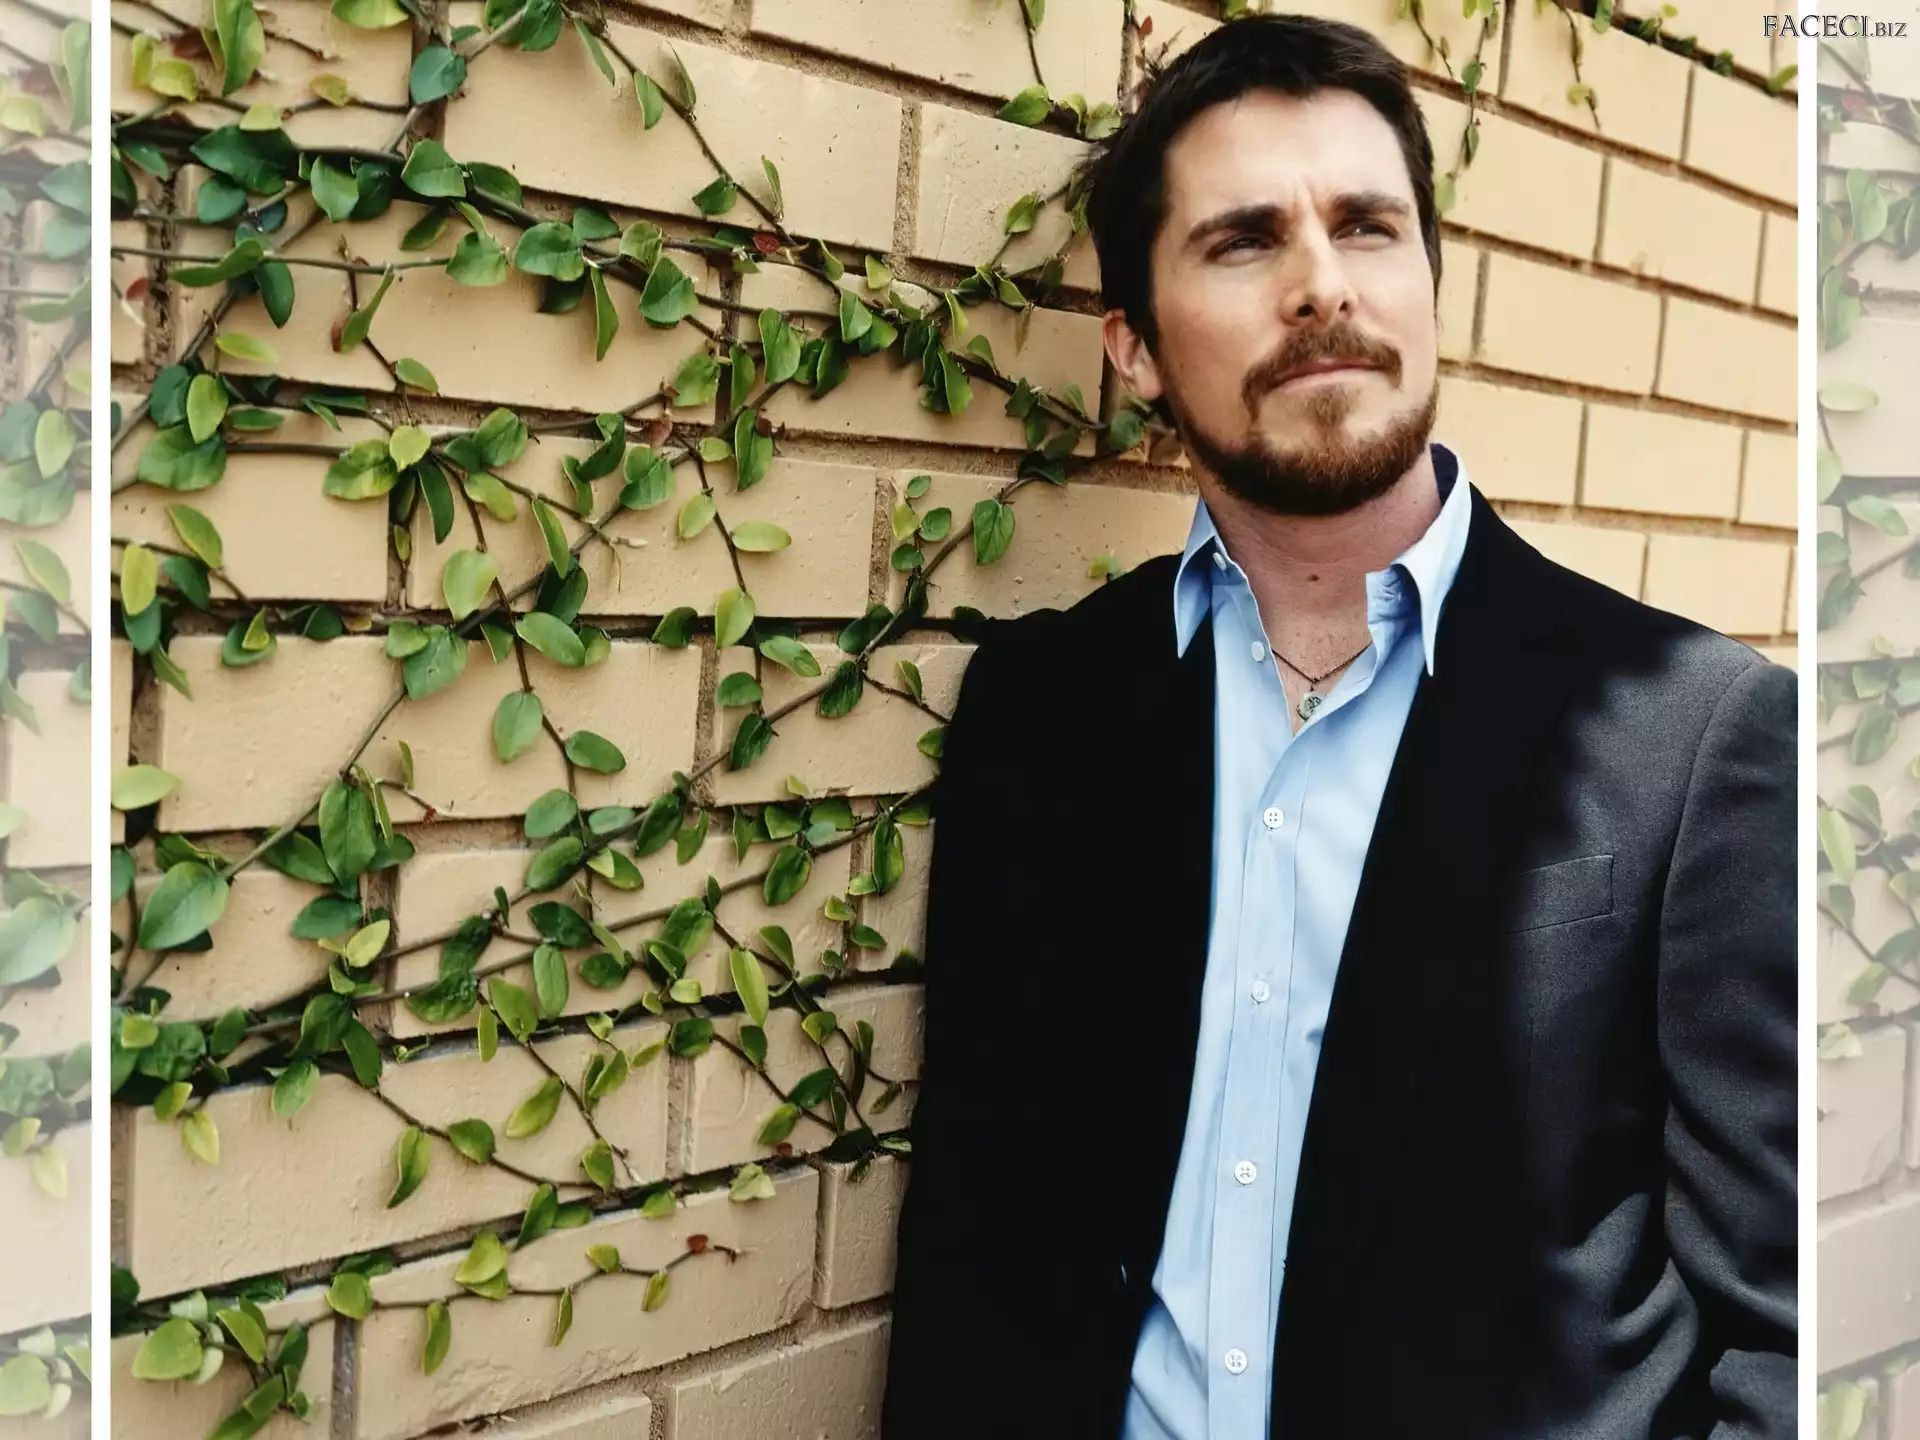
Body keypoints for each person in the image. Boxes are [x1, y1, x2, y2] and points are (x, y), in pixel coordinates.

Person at [879, 13, 1796, 1439]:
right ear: (1134, 348)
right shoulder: (1046, 706)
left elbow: (1784, 1334)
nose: (1321, 285)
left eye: (1368, 227)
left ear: (1429, 284)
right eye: (1243, 241)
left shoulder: (1696, 735)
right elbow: (974, 1230)